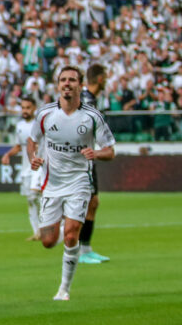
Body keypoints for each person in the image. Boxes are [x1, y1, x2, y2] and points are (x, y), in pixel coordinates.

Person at [27, 66, 115, 301]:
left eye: (72, 80)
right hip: (52, 183)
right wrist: (32, 158)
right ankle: (66, 222)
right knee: (47, 241)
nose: (67, 83)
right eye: (63, 80)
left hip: (79, 182)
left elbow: (110, 151)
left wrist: (96, 153)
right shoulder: (45, 114)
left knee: (70, 236)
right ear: (58, 85)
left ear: (80, 84)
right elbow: (31, 139)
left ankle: (64, 289)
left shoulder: (92, 116)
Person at [78, 63, 110, 264]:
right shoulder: (86, 100)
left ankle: (86, 249)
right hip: (81, 156)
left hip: (89, 155)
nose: (106, 80)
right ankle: (79, 250)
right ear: (99, 79)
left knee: (93, 202)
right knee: (85, 202)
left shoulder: (89, 98)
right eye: (105, 77)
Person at [1, 96, 43, 241]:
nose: (25, 111)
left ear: (34, 109)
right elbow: (19, 146)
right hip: (26, 168)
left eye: (28, 108)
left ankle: (49, 227)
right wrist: (8, 154)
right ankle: (37, 232)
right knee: (30, 200)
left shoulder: (39, 125)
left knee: (36, 197)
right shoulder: (19, 126)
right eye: (23, 108)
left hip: (39, 167)